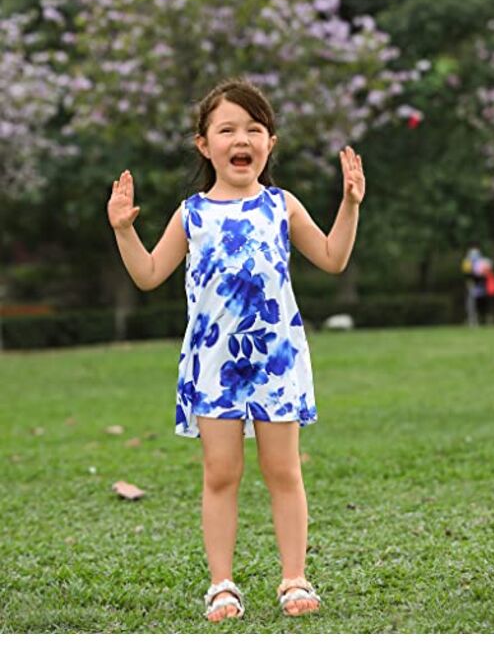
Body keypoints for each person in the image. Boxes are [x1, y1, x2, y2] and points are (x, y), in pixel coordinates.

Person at [107, 77, 366, 623]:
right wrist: (124, 231)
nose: (241, 138)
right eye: (227, 129)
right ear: (205, 144)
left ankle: (294, 577)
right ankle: (221, 584)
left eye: (253, 128)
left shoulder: (281, 205)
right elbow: (150, 273)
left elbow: (333, 256)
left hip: (275, 360)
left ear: (269, 142)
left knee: (284, 471)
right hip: (214, 364)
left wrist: (349, 204)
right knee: (220, 473)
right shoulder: (192, 212)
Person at [461, 246, 494, 326]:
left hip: (482, 288)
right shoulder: (468, 263)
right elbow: (467, 276)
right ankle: (473, 320)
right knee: (472, 304)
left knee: (483, 305)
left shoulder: (483, 263)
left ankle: (486, 320)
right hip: (473, 287)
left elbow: (487, 274)